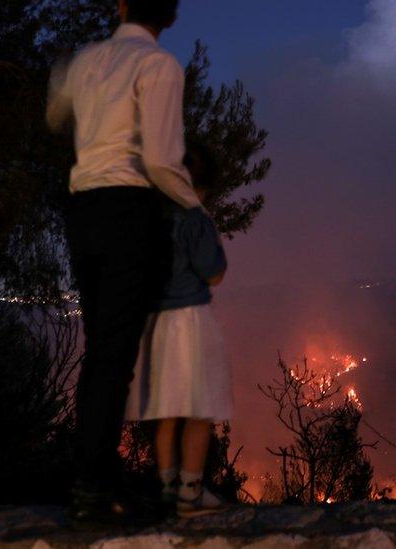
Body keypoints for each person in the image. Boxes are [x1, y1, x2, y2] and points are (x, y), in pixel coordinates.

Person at [46, 0, 200, 524]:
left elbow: (54, 113)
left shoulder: (86, 61)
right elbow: (160, 159)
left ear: (120, 5)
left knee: (100, 350)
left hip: (83, 209)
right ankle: (94, 483)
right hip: (128, 210)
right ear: (172, 16)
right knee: (115, 353)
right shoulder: (158, 66)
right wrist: (194, 206)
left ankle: (93, 473)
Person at [125, 142, 233, 518]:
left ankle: (168, 488)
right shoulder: (195, 219)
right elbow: (214, 273)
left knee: (166, 410)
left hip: (157, 323)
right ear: (200, 187)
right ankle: (191, 491)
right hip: (190, 322)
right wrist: (213, 235)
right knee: (199, 408)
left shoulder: (155, 218)